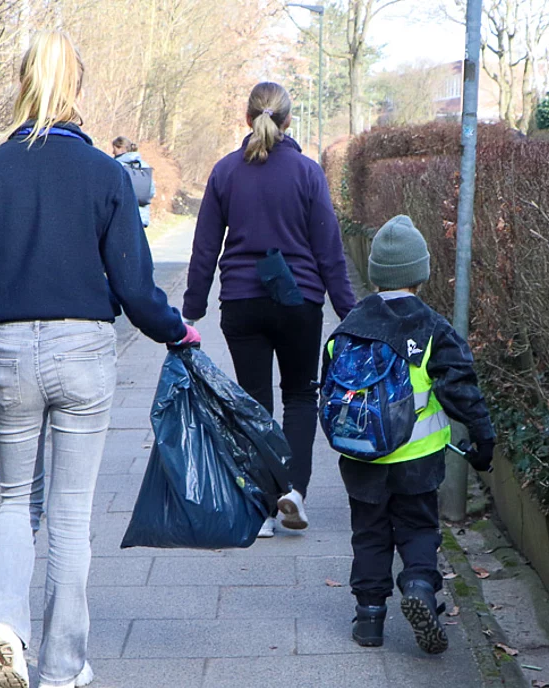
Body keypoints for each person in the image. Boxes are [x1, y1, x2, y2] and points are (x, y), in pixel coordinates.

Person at [0, 31, 200, 688]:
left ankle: (2, 621)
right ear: (76, 89)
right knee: (71, 513)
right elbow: (136, 287)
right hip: (85, 352)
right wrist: (177, 333)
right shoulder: (107, 176)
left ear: (21, 84)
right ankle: (60, 666)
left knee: (16, 500)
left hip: (12, 352)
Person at [183, 81, 356, 539]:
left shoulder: (224, 172)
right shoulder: (306, 172)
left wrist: (191, 310)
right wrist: (349, 311)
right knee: (300, 397)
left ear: (247, 119)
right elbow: (329, 251)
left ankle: (260, 507)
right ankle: (293, 494)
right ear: (288, 120)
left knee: (254, 402)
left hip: (241, 302)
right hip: (299, 303)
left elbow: (204, 248)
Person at [325, 215, 496, 653]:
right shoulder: (432, 327)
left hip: (361, 457)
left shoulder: (348, 327)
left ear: (376, 274)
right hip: (418, 457)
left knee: (369, 532)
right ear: (420, 273)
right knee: (419, 527)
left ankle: (369, 620)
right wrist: (483, 440)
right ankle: (419, 586)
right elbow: (461, 388)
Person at [111, 136, 155, 227]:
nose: (113, 152)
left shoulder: (116, 166)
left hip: (121, 217)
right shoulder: (144, 165)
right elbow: (151, 192)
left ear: (122, 149)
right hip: (142, 218)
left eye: (114, 149)